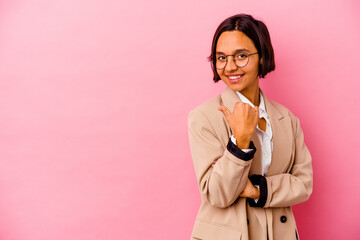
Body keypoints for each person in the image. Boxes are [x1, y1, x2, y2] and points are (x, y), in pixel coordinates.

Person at [188, 13, 313, 240]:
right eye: (221, 58)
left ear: (262, 57)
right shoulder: (203, 117)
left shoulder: (287, 118)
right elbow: (216, 193)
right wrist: (240, 141)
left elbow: (304, 183)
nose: (230, 67)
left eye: (241, 56)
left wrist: (258, 190)